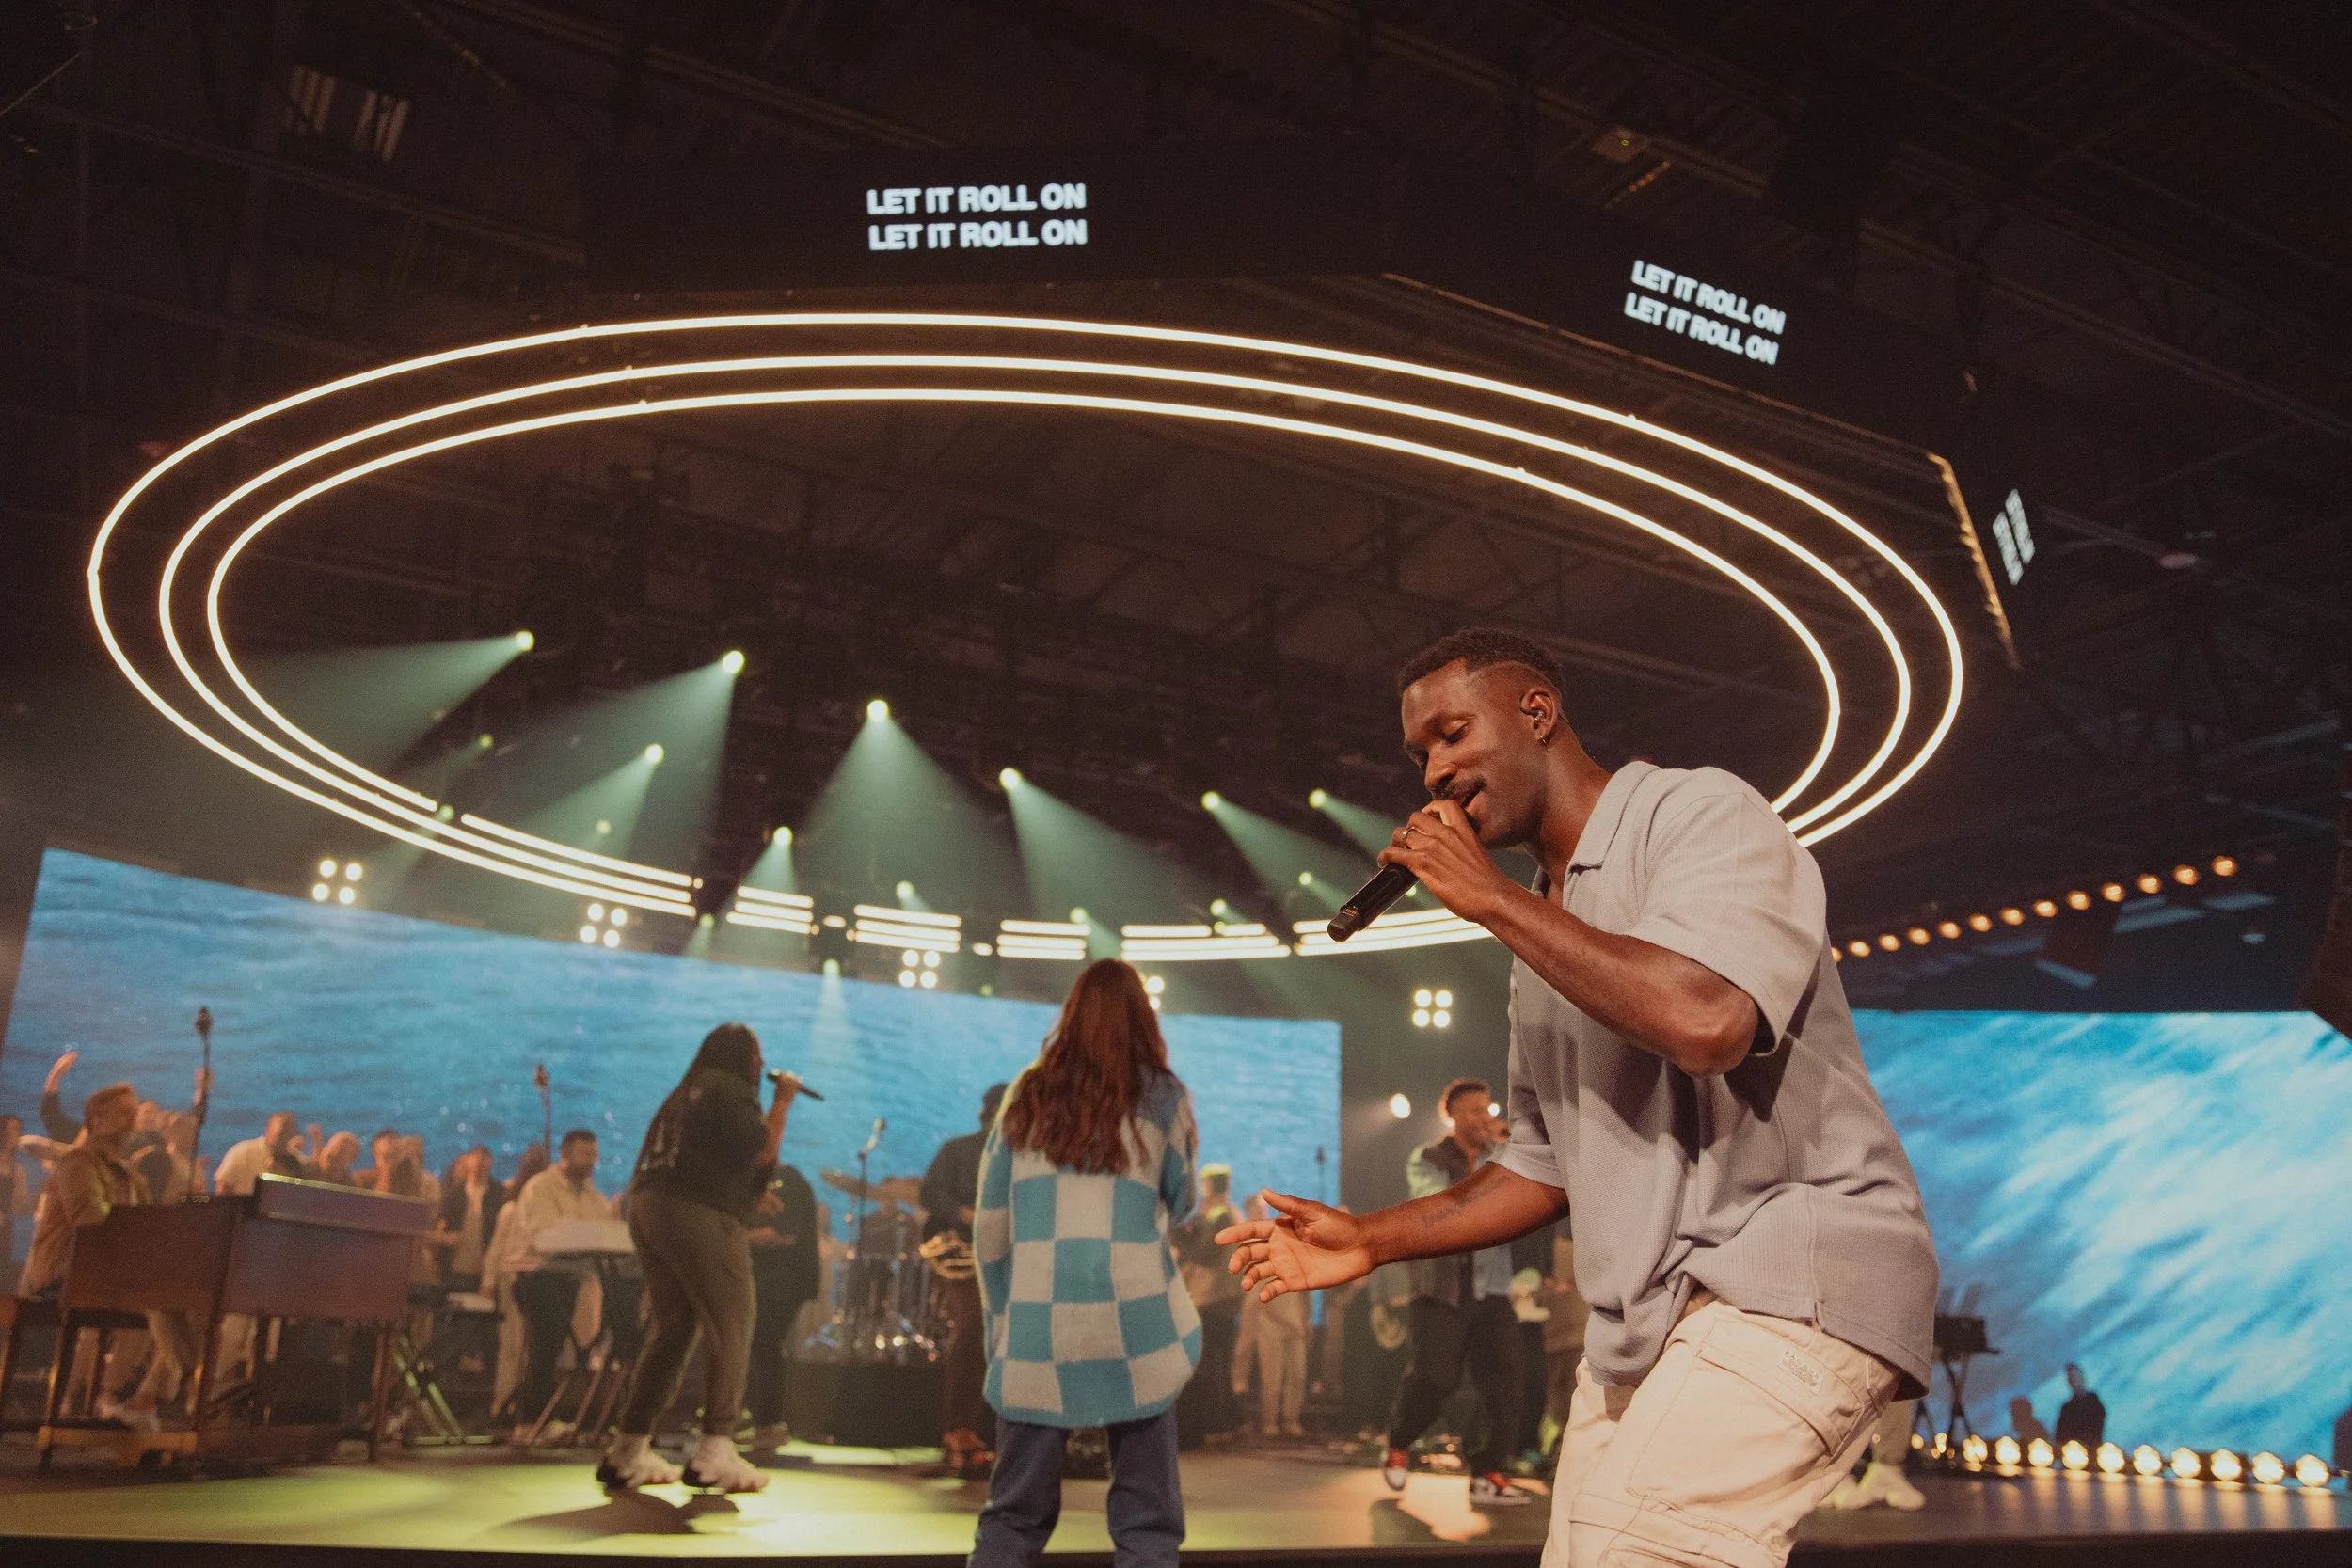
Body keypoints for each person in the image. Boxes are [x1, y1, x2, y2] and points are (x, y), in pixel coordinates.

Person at [1217, 628, 1937, 1568]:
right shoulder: (1543, 924)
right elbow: (1539, 1164)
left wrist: (1494, 902)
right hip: (1651, 1322)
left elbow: (1709, 1017)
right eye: (1418, 753)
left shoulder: (1698, 812)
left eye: (1451, 733)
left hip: (1788, 1280)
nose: (1434, 772)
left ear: (1537, 710)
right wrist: (1370, 1237)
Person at [968, 958, 1200, 1568]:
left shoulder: (1027, 1093)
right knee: (1148, 1526)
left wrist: (1002, 1325)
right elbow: (1184, 1201)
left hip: (1039, 1324)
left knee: (1011, 1520)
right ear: (1143, 1019)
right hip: (1136, 1322)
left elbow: (990, 1226)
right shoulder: (1164, 1095)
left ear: (1070, 1016)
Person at [597, 1022, 800, 1494]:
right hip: (695, 1212)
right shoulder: (730, 1087)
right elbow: (761, 1149)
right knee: (733, 1322)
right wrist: (783, 1102)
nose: (762, 1064)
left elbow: (705, 1158)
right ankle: (715, 1450)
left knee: (674, 1327)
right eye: (756, 1054)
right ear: (739, 1056)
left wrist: (746, 1197)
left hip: (649, 1206)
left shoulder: (684, 1093)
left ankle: (628, 1448)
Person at [21, 1082, 203, 1432]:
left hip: (110, 1275)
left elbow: (147, 1231)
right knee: (157, 1300)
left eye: (133, 1114)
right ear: (97, 1119)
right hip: (64, 1273)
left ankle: (142, 1399)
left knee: (196, 1301)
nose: (131, 1120)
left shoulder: (132, 1175)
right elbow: (90, 1221)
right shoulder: (79, 1162)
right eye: (123, 1113)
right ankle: (115, 1395)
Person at [1381, 1078, 1530, 1506]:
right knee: (1435, 1377)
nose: (1485, 1117)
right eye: (1474, 1111)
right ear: (1454, 1117)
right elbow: (1437, 1205)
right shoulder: (1427, 1158)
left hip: (1492, 1286)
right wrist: (1494, 1168)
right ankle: (1398, 1440)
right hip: (1440, 1288)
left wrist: (1507, 1154)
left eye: (1488, 1108)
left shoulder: (1501, 1159)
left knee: (1504, 1381)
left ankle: (1487, 1472)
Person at [920, 1081, 1009, 1478]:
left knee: (1001, 1338)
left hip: (1006, 1255)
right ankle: (960, 1429)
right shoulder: (958, 1150)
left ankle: (993, 1432)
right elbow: (930, 1193)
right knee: (972, 1330)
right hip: (963, 1254)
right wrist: (964, 1214)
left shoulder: (1023, 1156)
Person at [504, 1129, 614, 1433]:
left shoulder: (593, 1195)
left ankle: (556, 1416)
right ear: (565, 1154)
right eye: (584, 1154)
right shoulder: (540, 1187)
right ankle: (530, 1420)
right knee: (545, 1345)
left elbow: (605, 1226)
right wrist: (584, 1233)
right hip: (538, 1274)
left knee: (571, 1346)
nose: (591, 1161)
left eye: (594, 1155)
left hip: (574, 1277)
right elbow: (543, 1233)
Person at [745, 1157, 819, 1452]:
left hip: (786, 1279)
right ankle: (759, 1419)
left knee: (765, 1343)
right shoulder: (766, 1183)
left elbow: (785, 1234)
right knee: (759, 1344)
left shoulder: (787, 1182)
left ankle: (769, 1422)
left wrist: (732, 1238)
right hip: (769, 1278)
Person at [1172, 1164, 1244, 1447]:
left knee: (1208, 1366)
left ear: (1209, 1185)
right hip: (1222, 1302)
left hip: (1212, 1300)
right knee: (1219, 1364)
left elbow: (1204, 1255)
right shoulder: (1232, 1213)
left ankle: (1214, 1424)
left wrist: (1177, 1235)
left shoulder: (1219, 1215)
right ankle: (1227, 1423)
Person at [435, 1145, 503, 1289]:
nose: (479, 1164)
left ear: (490, 1163)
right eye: (476, 1159)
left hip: (486, 1270)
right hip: (454, 1267)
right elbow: (440, 1226)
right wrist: (445, 1238)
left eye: (483, 1159)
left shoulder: (498, 1194)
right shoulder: (454, 1194)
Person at [214, 1111, 308, 1196]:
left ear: (293, 1134)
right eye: (280, 1134)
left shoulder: (298, 1162)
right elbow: (223, 1188)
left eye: (286, 1133)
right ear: (268, 1128)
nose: (282, 1138)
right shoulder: (242, 1152)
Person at [1, 1115, 34, 1292]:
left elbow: (18, 1205)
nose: (17, 1134)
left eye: (18, 1129)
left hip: (4, 1231)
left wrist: (42, 1197)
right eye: (13, 1129)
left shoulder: (17, 1171)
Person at [2053, 1364, 2105, 1449]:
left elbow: (2097, 1428)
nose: (2074, 1380)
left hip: (2092, 1451)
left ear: (2083, 1378)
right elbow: (2059, 1435)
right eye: (2071, 1378)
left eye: (2076, 1376)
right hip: (2072, 1453)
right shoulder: (2066, 1408)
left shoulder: (2094, 1401)